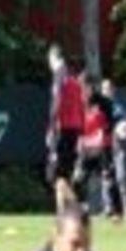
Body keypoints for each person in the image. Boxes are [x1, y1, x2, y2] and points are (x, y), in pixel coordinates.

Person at [72, 79, 124, 222]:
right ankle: (82, 208)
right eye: (80, 88)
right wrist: (79, 141)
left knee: (109, 179)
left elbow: (115, 122)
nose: (83, 91)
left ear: (90, 87)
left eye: (85, 87)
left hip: (103, 148)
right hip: (86, 149)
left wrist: (120, 127)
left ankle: (117, 212)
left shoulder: (104, 102)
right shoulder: (77, 103)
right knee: (78, 179)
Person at [45, 45, 87, 213]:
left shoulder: (58, 76)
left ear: (54, 58)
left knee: (56, 174)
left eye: (49, 59)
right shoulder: (75, 82)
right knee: (65, 173)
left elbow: (56, 102)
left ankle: (65, 211)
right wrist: (82, 133)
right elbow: (82, 108)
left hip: (62, 128)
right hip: (74, 130)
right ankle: (70, 211)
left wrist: (51, 127)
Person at [100, 78, 126, 217]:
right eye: (104, 89)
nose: (106, 91)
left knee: (122, 176)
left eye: (108, 88)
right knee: (106, 176)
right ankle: (108, 208)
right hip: (103, 146)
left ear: (113, 91)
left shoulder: (117, 107)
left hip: (117, 147)